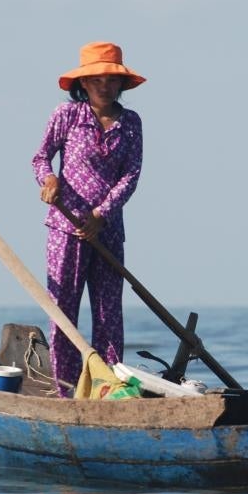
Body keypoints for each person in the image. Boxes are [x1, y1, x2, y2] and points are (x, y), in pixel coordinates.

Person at [32, 41, 145, 397]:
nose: (105, 86)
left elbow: (131, 176)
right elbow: (40, 158)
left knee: (108, 313)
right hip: (65, 229)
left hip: (106, 230)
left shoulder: (130, 123)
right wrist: (48, 181)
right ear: (84, 83)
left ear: (121, 84)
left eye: (112, 80)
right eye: (98, 80)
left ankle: (108, 389)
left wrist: (100, 215)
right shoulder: (65, 116)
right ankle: (66, 391)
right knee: (63, 311)